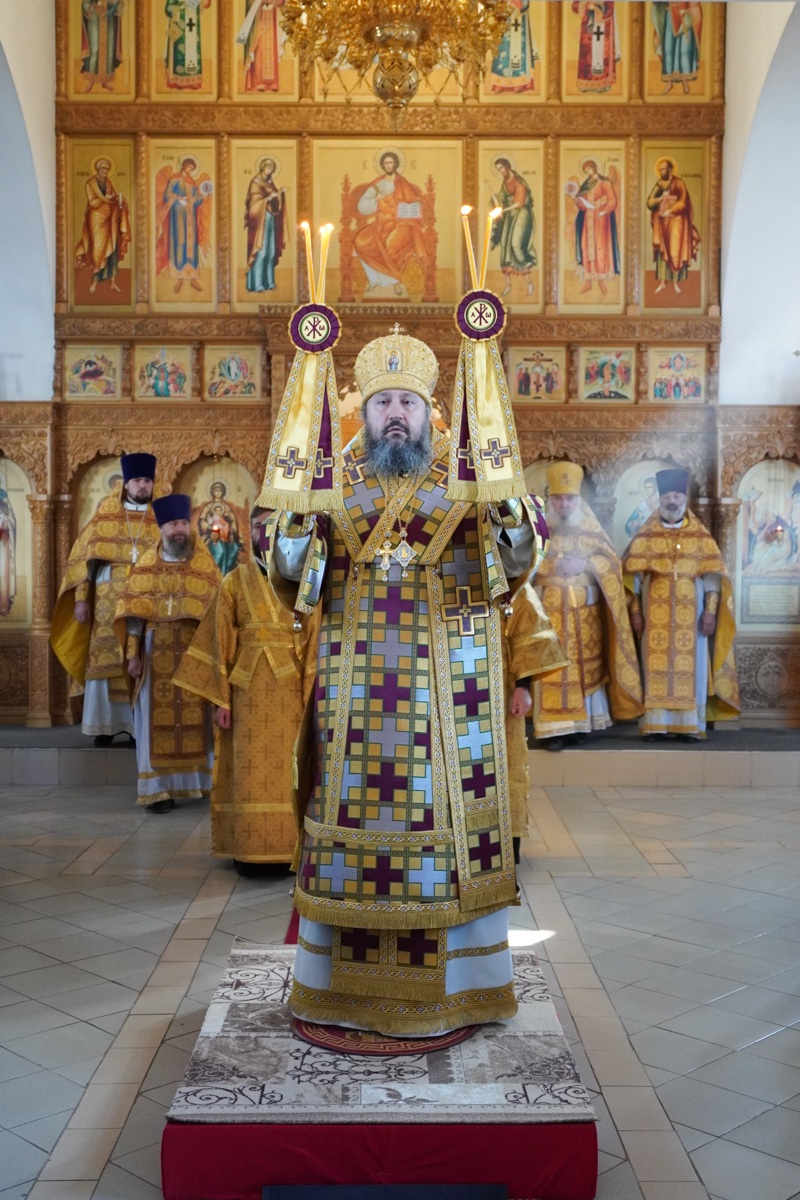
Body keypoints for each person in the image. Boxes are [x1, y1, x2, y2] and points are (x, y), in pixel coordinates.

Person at [269, 330, 548, 1037]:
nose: (396, 414)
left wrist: (509, 509)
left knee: (446, 830)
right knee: (350, 820)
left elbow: (515, 564)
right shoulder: (333, 479)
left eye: (409, 403)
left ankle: (460, 992)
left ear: (430, 411)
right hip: (355, 698)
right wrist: (293, 527)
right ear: (364, 410)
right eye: (384, 402)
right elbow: (294, 578)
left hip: (448, 697)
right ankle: (337, 993)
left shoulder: (467, 475)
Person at [174, 507, 319, 871]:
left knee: (287, 769)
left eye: (271, 525)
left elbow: (315, 640)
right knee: (248, 772)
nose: (263, 532)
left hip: (290, 693)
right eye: (257, 526)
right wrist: (221, 700)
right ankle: (247, 850)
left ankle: (289, 848)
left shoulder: (304, 581)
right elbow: (218, 639)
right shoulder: (234, 581)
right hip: (246, 692)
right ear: (249, 530)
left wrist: (313, 700)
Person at [114, 494, 220, 811]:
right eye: (174, 524)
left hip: (194, 652)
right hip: (154, 652)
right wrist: (132, 655)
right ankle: (158, 791)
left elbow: (218, 614)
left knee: (198, 722)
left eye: (184, 523)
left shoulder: (204, 565)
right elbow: (134, 617)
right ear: (161, 528)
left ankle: (196, 784)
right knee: (153, 723)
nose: (180, 529)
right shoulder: (145, 566)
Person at [623, 467, 740, 740]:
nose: (672, 501)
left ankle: (689, 725)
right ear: (659, 499)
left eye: (677, 496)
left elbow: (713, 577)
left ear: (684, 498)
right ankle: (656, 724)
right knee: (654, 667)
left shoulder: (700, 536)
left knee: (692, 668)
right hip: (654, 616)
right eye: (667, 496)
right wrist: (636, 612)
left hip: (693, 617)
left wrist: (710, 612)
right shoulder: (646, 535)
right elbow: (632, 577)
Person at [52, 454, 159, 746]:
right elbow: (85, 560)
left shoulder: (159, 517)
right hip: (105, 600)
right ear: (126, 483)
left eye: (147, 480)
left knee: (139, 658)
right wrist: (81, 600)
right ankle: (104, 726)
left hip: (144, 599)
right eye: (137, 480)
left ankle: (136, 729)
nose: (142, 485)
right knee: (104, 661)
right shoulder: (106, 512)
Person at [533, 462, 642, 751]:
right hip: (548, 616)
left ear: (579, 500)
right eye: (558, 498)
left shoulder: (592, 529)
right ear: (550, 500)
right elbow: (524, 566)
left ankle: (580, 725)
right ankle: (552, 731)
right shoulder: (539, 529)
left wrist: (586, 563)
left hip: (586, 620)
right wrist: (551, 567)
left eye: (569, 498)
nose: (564, 504)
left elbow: (612, 564)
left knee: (583, 669)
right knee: (551, 669)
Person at [353, 151, 428, 297]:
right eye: (386, 163)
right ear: (382, 165)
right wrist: (376, 200)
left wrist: (418, 203)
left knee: (390, 246)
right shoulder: (377, 184)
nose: (388, 165)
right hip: (381, 223)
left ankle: (395, 281)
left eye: (391, 162)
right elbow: (363, 206)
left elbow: (413, 199)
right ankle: (375, 280)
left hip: (402, 223)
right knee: (360, 241)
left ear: (395, 164)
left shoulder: (402, 182)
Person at [74, 157, 131, 296]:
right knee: (98, 249)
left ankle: (112, 281)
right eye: (103, 168)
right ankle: (94, 281)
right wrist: (105, 198)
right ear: (98, 169)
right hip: (96, 219)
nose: (105, 171)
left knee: (113, 248)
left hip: (110, 218)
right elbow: (92, 203)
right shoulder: (90, 184)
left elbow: (114, 196)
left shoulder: (108, 182)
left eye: (107, 169)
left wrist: (119, 200)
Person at [156, 157, 212, 294]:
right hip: (178, 217)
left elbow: (197, 199)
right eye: (189, 167)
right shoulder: (175, 179)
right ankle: (179, 279)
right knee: (180, 244)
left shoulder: (192, 182)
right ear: (184, 166)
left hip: (190, 218)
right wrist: (178, 199)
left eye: (192, 169)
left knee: (191, 245)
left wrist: (200, 198)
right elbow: (167, 195)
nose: (190, 170)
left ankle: (193, 279)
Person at [646, 156, 701, 296]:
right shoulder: (660, 184)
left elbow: (684, 202)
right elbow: (649, 202)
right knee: (662, 250)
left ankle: (675, 282)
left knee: (675, 250)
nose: (661, 172)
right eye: (660, 169)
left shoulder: (679, 183)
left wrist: (671, 210)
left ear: (670, 169)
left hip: (677, 222)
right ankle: (663, 282)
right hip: (661, 222)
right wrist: (659, 199)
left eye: (663, 169)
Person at [567, 158, 620, 296]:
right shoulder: (586, 185)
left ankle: (601, 281)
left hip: (601, 219)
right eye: (586, 171)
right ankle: (589, 282)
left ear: (595, 168)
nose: (588, 172)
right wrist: (576, 199)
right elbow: (582, 206)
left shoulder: (605, 183)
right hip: (588, 220)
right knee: (586, 247)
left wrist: (604, 211)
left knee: (600, 247)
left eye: (589, 169)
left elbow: (612, 201)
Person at [490, 158, 536, 297]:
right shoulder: (505, 183)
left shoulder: (518, 181)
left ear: (507, 166)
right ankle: (508, 284)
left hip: (521, 213)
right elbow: (500, 200)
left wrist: (503, 210)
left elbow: (519, 203)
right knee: (505, 245)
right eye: (498, 169)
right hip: (510, 215)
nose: (500, 171)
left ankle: (529, 282)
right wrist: (490, 189)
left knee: (516, 244)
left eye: (501, 168)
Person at [244, 157, 286, 293]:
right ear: (262, 168)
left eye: (272, 169)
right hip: (259, 223)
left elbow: (275, 202)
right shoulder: (255, 182)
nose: (270, 171)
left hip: (270, 219)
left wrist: (280, 194)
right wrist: (268, 198)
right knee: (261, 252)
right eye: (268, 168)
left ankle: (269, 282)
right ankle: (257, 284)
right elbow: (252, 206)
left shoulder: (270, 183)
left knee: (271, 252)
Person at [489, 0, 539, 94]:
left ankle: (521, 83)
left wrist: (518, 3)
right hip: (503, 17)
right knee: (502, 49)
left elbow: (525, 3)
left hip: (519, 16)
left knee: (520, 49)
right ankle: (499, 83)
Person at [651, 2, 702, 94]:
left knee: (684, 49)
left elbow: (694, 4)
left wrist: (687, 11)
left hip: (684, 17)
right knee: (668, 49)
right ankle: (669, 82)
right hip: (669, 15)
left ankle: (684, 81)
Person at [573, 1, 620, 93]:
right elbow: (575, 5)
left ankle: (604, 84)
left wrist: (596, 8)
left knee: (603, 54)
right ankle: (585, 84)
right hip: (588, 25)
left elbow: (609, 9)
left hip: (604, 26)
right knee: (586, 54)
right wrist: (584, 4)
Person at [164, 0, 212, 90]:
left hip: (193, 23)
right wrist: (179, 8)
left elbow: (204, 3)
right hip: (179, 26)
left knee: (193, 51)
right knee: (179, 53)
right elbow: (168, 8)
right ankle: (177, 82)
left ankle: (194, 82)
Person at [80, 0, 124, 92]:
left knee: (109, 51)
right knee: (94, 50)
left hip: (109, 21)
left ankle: (105, 81)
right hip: (94, 20)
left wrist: (116, 5)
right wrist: (95, 7)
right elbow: (85, 3)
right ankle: (92, 80)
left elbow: (118, 3)